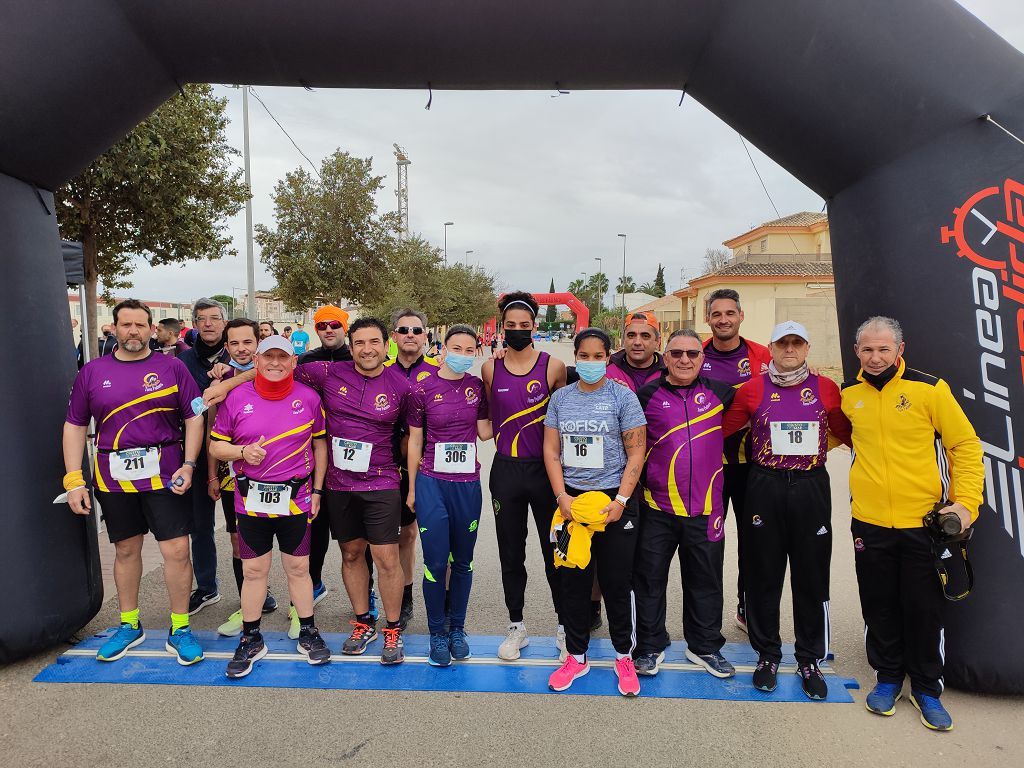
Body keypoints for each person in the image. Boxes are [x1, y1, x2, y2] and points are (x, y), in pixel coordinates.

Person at [203, 317, 414, 665]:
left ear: (386, 343)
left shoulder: (401, 386)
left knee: (386, 558)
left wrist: (415, 484)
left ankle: (392, 629)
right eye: (359, 342)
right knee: (350, 554)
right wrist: (228, 386)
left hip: (381, 482)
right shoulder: (328, 373)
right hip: (338, 484)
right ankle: (363, 623)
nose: (367, 349)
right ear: (351, 345)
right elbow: (272, 368)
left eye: (374, 342)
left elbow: (414, 435)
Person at [841, 316, 983, 731]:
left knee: (923, 608)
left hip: (922, 524)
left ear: (900, 350)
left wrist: (965, 505)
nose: (876, 356)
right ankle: (887, 677)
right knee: (878, 603)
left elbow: (965, 446)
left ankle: (925, 687)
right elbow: (832, 437)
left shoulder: (929, 389)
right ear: (857, 353)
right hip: (868, 522)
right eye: (867, 349)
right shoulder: (850, 394)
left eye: (884, 349)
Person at [62, 299, 205, 665]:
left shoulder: (171, 367)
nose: (133, 331)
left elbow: (194, 417)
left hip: (166, 472)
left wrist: (189, 464)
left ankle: (180, 627)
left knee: (176, 551)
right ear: (115, 327)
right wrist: (74, 479)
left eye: (140, 325)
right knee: (127, 550)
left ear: (152, 329)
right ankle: (129, 624)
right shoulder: (92, 372)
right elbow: (75, 425)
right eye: (126, 325)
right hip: (113, 477)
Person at [722, 320, 851, 700]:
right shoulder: (752, 388)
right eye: (783, 343)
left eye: (797, 343)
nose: (790, 349)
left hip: (810, 486)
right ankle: (768, 654)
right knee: (764, 572)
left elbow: (847, 432)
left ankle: (810, 657)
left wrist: (818, 450)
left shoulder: (826, 388)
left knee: (811, 574)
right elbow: (722, 430)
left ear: (807, 348)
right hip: (764, 485)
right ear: (772, 348)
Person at [209, 335, 331, 677]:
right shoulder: (237, 398)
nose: (275, 364)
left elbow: (320, 446)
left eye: (283, 358)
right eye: (268, 357)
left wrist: (318, 490)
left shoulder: (308, 398)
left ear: (294, 363)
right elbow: (217, 446)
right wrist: (241, 453)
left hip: (296, 499)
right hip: (250, 501)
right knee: (253, 572)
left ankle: (308, 630)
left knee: (298, 569)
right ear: (257, 362)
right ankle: (251, 637)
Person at [542, 328, 647, 695]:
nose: (590, 362)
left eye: (597, 356)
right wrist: (561, 497)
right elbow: (551, 451)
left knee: (617, 582)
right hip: (572, 503)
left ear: (608, 357)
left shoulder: (623, 397)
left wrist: (620, 501)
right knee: (573, 582)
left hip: (614, 502)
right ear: (575, 357)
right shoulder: (561, 399)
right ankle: (576, 656)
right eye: (583, 356)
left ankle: (623, 655)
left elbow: (636, 452)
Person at [632, 329, 737, 679]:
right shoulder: (646, 395)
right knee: (649, 580)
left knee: (706, 581)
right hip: (657, 508)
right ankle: (649, 644)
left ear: (702, 359)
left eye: (692, 354)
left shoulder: (721, 393)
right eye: (676, 353)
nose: (684, 360)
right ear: (665, 358)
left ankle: (704, 646)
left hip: (707, 510)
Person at [481, 291, 567, 661]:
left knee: (556, 553)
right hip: (506, 471)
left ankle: (566, 627)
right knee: (511, 554)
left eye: (524, 325)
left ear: (535, 326)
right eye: (510, 326)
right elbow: (485, 422)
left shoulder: (553, 367)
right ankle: (516, 626)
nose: (517, 331)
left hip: (545, 472)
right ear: (502, 328)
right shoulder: (490, 368)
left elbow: (567, 420)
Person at [406, 325, 492, 666]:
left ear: (475, 354)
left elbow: (486, 432)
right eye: (457, 347)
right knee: (436, 562)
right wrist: (413, 488)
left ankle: (457, 628)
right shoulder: (421, 389)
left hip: (467, 485)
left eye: (469, 350)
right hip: (431, 483)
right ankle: (436, 633)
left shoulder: (476, 388)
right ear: (443, 349)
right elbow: (414, 441)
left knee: (463, 561)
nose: (462, 354)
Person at [700, 288, 771, 632]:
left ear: (741, 316)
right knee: (710, 539)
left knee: (753, 539)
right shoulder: (695, 356)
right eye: (716, 314)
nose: (723, 320)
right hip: (708, 466)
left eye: (730, 313)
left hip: (753, 466)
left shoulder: (762, 355)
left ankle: (747, 607)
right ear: (707, 319)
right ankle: (708, 615)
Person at [205, 319, 278, 637]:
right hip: (234, 474)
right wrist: (211, 476)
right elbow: (211, 430)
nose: (242, 349)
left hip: (279, 471)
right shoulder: (218, 378)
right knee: (239, 540)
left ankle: (296, 604)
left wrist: (227, 380)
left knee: (286, 539)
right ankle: (248, 600)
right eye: (234, 344)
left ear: (259, 342)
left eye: (248, 342)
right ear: (226, 346)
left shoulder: (276, 368)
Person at [384, 308, 440, 628]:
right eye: (403, 329)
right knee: (382, 538)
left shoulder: (437, 372)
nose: (409, 334)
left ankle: (416, 600)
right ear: (393, 336)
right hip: (384, 464)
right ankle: (393, 596)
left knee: (411, 535)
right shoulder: (381, 371)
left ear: (425, 336)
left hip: (424, 466)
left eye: (416, 330)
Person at [297, 304, 352, 615]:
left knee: (356, 534)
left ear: (344, 327)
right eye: (322, 326)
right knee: (313, 527)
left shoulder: (359, 358)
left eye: (334, 324)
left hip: (354, 456)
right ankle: (314, 582)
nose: (328, 330)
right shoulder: (305, 362)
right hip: (313, 453)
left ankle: (366, 591)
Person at [178, 297, 231, 614]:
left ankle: (254, 588)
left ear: (224, 322)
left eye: (214, 317)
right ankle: (207, 587)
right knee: (200, 525)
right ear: (194, 324)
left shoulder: (240, 356)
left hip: (238, 453)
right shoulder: (182, 362)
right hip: (197, 452)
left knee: (246, 529)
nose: (208, 323)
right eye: (202, 318)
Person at [608, 311, 665, 391]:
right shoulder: (606, 370)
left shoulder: (669, 372)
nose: (637, 342)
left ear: (658, 342)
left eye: (645, 336)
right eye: (631, 335)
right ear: (624, 339)